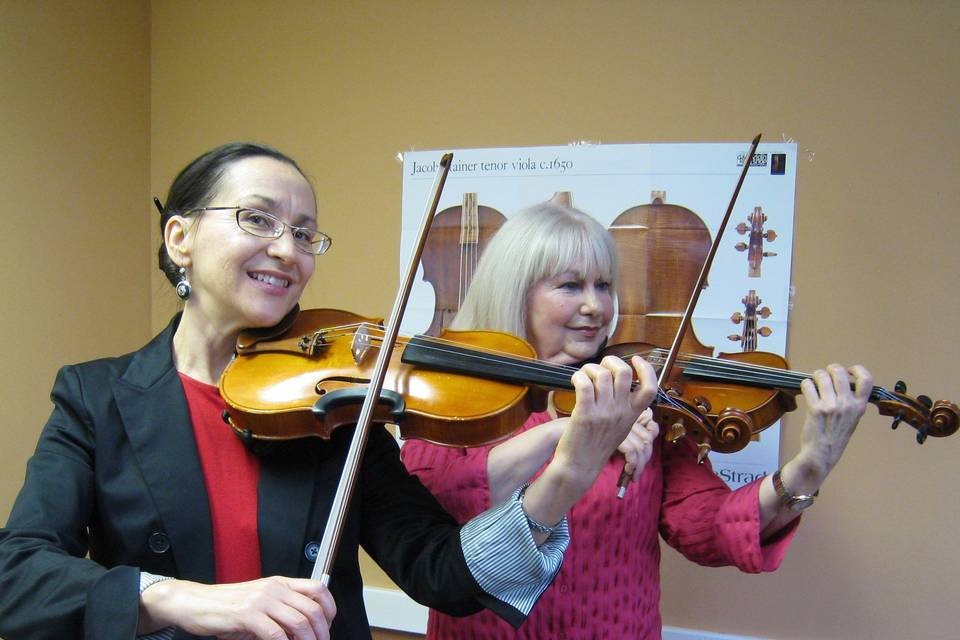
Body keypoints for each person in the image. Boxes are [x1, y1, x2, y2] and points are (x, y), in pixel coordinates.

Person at [0, 143, 659, 640]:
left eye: (305, 233)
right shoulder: (97, 398)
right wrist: (183, 599)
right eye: (258, 220)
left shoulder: (338, 409)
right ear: (181, 237)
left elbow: (443, 576)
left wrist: (569, 471)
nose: (288, 250)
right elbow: (17, 579)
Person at [401, 201, 873, 639]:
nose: (596, 307)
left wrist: (813, 463)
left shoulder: (640, 396)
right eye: (570, 285)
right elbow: (437, 501)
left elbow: (707, 526)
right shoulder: (454, 396)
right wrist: (566, 433)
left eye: (603, 286)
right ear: (515, 292)